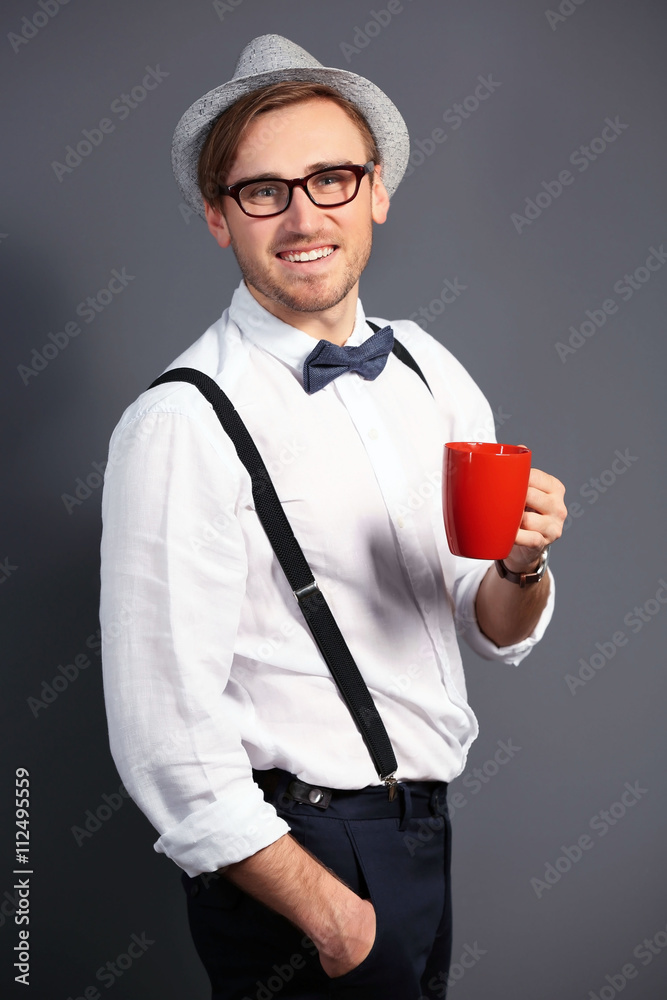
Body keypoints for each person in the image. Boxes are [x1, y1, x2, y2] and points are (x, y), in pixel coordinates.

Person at [99, 33, 566, 1000]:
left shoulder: (431, 367)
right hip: (300, 854)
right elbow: (162, 734)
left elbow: (489, 625)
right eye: (263, 189)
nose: (302, 214)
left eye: (331, 178)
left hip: (422, 834)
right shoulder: (182, 420)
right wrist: (328, 911)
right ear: (218, 218)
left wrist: (521, 566)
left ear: (376, 192)